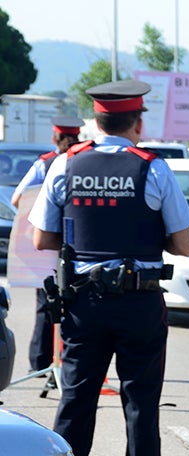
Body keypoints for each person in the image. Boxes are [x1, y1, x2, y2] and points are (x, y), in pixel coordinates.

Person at [28, 80, 189, 456]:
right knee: (140, 404)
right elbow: (185, 244)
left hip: (83, 304)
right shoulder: (152, 169)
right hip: (139, 303)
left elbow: (41, 239)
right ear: (138, 124)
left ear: (96, 121)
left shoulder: (65, 164)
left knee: (75, 401)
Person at [11, 115, 84, 377]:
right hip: (80, 245)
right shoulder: (84, 161)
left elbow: (18, 199)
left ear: (57, 138)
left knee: (46, 303)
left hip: (49, 244)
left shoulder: (45, 164)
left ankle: (40, 361)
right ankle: (66, 360)